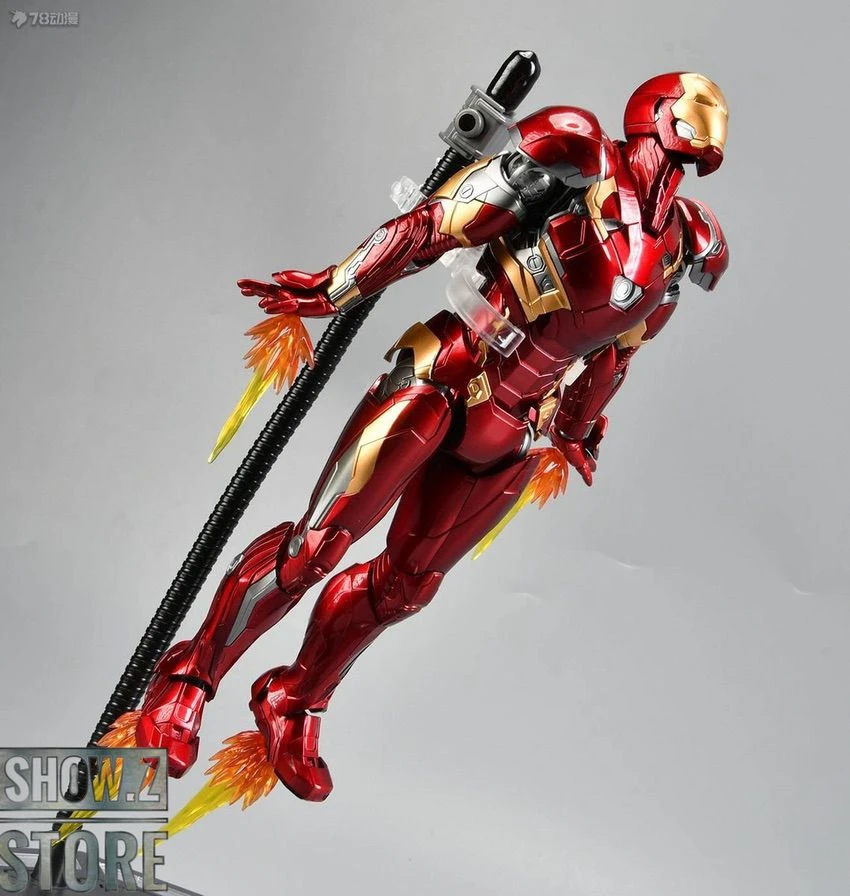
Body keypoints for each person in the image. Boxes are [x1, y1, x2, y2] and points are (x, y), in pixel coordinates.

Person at [136, 72, 730, 801]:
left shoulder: (685, 242)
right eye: (687, 125)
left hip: (518, 424)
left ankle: (294, 701)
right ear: (656, 116)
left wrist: (577, 429)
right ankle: (188, 679)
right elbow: (436, 225)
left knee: (406, 588)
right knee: (316, 546)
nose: (691, 147)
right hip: (451, 371)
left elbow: (616, 352)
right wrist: (337, 285)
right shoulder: (577, 151)